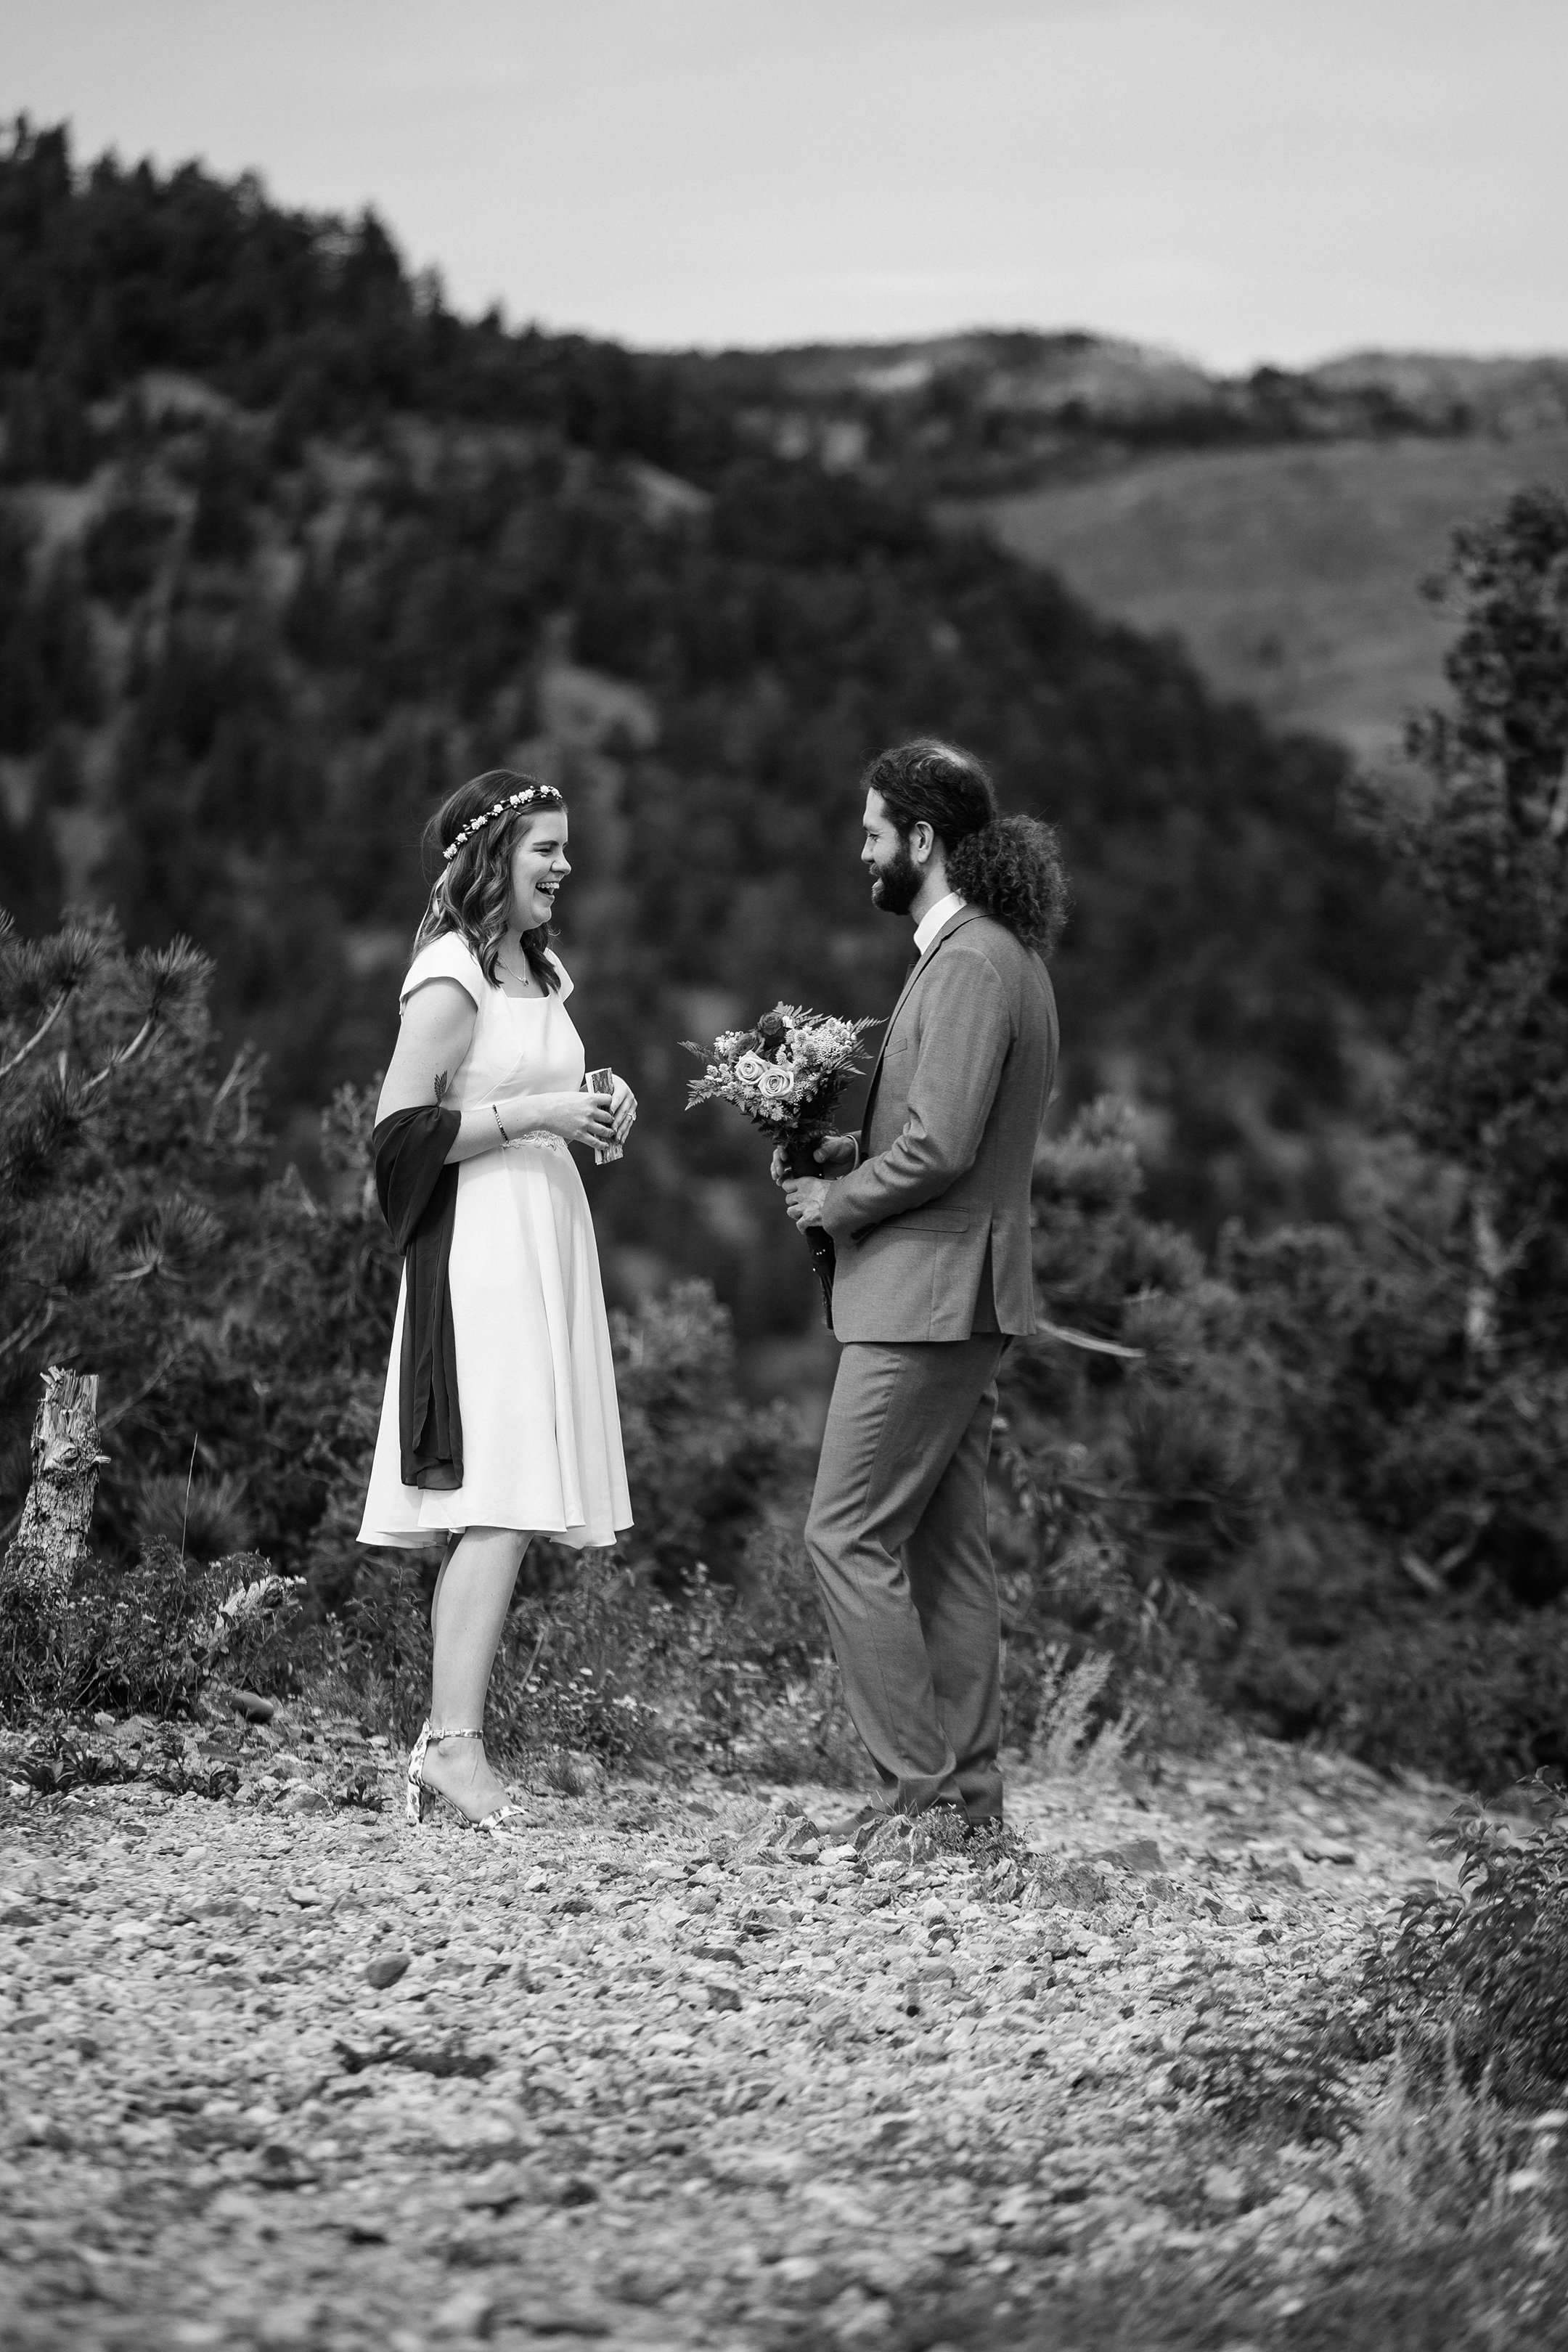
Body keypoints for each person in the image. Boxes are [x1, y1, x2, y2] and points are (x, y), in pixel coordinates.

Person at [779, 739, 1066, 1833]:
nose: (862, 852)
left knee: (843, 1534)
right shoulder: (998, 956)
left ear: (924, 839)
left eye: (873, 833)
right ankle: (970, 1802)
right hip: (961, 1291)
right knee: (947, 1555)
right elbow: (952, 1136)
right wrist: (847, 1155)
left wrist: (835, 1202)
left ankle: (919, 1794)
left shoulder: (970, 963)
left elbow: (942, 1147)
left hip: (929, 1300)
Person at [358, 770, 635, 1836]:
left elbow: (531, 1085)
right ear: (492, 859)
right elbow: (398, 1136)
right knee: (501, 1496)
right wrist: (538, 1116)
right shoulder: (448, 975)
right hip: (479, 1249)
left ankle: (451, 1743)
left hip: (543, 1236)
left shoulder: (539, 967)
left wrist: (597, 1101)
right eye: (544, 849)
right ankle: (452, 1748)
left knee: (515, 1499)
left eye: (565, 848)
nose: (564, 865)